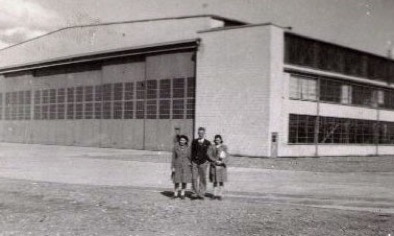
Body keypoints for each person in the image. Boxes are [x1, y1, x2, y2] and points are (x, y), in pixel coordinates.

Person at [191, 127, 211, 200]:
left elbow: (210, 153)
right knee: (194, 178)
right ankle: (194, 193)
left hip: (203, 163)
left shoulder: (208, 143)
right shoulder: (194, 141)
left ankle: (201, 193)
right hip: (195, 162)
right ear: (198, 133)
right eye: (199, 133)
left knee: (202, 178)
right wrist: (192, 161)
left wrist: (207, 161)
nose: (201, 134)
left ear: (204, 133)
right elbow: (192, 152)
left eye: (202, 133)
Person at [208, 135, 229, 200]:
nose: (217, 141)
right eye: (216, 140)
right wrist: (214, 160)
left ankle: (220, 195)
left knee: (221, 181)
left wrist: (222, 162)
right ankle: (214, 194)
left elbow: (227, 155)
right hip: (214, 165)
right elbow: (209, 154)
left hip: (221, 166)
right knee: (214, 180)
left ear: (221, 140)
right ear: (214, 140)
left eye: (218, 139)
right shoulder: (211, 147)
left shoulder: (224, 147)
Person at [171, 135, 192, 199]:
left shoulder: (188, 148)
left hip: (186, 166)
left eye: (183, 140)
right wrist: (173, 167)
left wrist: (190, 163)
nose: (182, 141)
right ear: (179, 140)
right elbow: (173, 158)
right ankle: (175, 193)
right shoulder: (175, 147)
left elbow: (190, 157)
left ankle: (182, 194)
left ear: (186, 141)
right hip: (177, 165)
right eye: (181, 140)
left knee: (184, 180)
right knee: (177, 180)